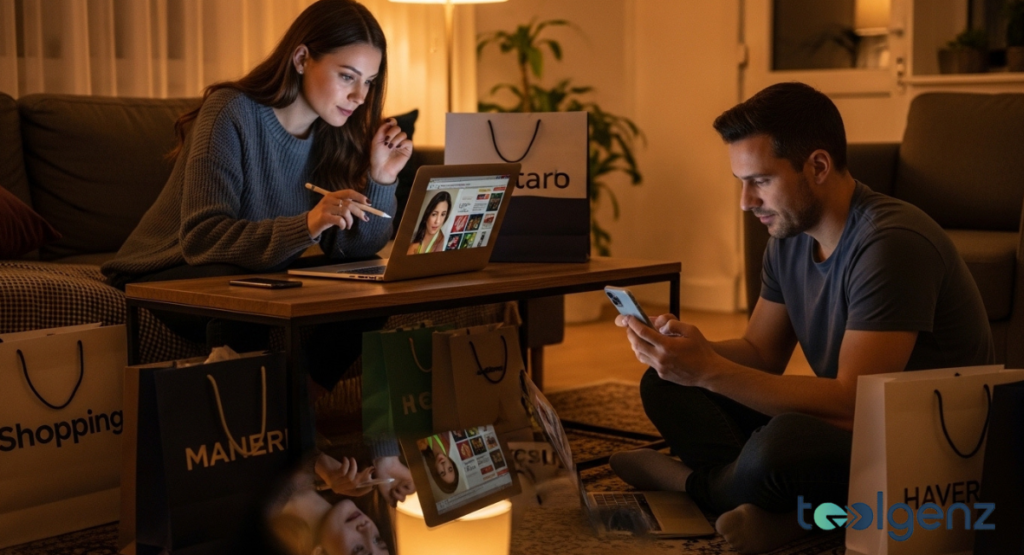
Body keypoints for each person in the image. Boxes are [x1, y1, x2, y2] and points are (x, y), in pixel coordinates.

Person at [609, 82, 993, 554]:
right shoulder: (788, 240)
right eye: (742, 183)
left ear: (817, 166)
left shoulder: (891, 244)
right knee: (667, 384)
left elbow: (854, 403)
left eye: (761, 181)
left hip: (925, 446)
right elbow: (760, 353)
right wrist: (691, 353)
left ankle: (695, 486)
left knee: (781, 444)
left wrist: (709, 370)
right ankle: (790, 513)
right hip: (857, 428)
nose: (746, 202)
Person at [100, 0, 411, 391]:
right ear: (301, 58)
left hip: (253, 264)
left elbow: (355, 251)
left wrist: (382, 179)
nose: (360, 97)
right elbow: (202, 238)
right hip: (166, 268)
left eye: (369, 81)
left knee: (370, 284)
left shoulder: (335, 131)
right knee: (248, 290)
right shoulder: (231, 111)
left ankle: (300, 416)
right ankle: (283, 438)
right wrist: (308, 224)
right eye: (347, 76)